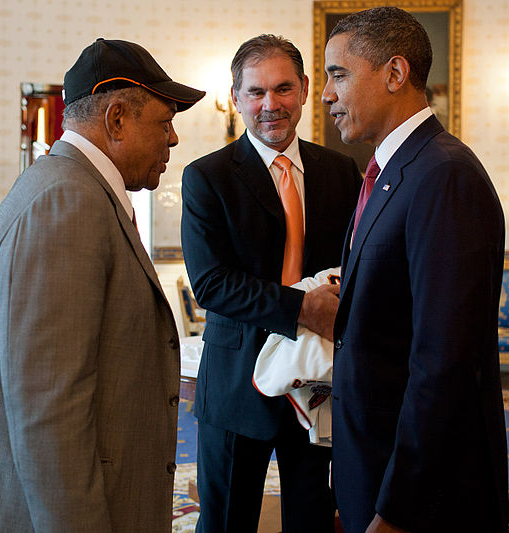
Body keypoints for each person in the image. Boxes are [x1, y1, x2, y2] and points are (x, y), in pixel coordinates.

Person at [0, 38, 205, 532]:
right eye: (164, 122)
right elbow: (50, 414)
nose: (173, 139)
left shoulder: (71, 188)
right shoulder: (65, 204)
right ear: (116, 119)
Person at [321, 8, 509, 533]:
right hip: (374, 462)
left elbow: (444, 360)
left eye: (339, 74)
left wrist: (397, 506)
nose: (326, 94)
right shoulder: (392, 172)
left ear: (395, 73)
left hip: (423, 497)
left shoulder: (443, 175)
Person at [181, 34, 361, 532]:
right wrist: (305, 308)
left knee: (313, 518)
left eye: (283, 88)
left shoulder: (341, 173)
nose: (270, 105)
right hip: (238, 380)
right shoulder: (207, 177)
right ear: (236, 97)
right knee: (226, 522)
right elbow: (213, 285)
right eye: (256, 92)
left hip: (317, 379)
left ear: (305, 89)